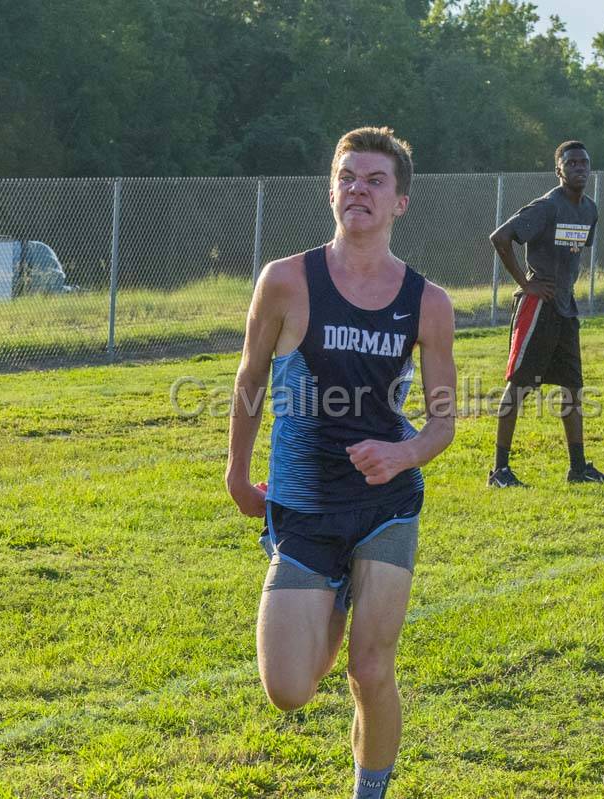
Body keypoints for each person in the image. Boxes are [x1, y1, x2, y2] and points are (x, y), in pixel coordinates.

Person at [225, 127, 456, 799]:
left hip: (385, 506)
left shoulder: (428, 302)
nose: (359, 189)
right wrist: (237, 474)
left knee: (369, 667)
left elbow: (444, 420)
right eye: (348, 177)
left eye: (375, 180)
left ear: (400, 202)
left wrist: (402, 452)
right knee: (290, 687)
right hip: (300, 503)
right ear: (331, 190)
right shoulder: (286, 280)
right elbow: (249, 377)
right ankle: (334, 588)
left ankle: (369, 791)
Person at [487, 140, 604, 487]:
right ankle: (499, 471)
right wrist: (525, 283)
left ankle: (578, 468)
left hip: (565, 307)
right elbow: (501, 238)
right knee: (519, 387)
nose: (579, 168)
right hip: (538, 307)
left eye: (584, 163)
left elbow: (572, 253)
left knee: (574, 389)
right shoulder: (546, 207)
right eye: (572, 163)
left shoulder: (589, 209)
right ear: (559, 170)